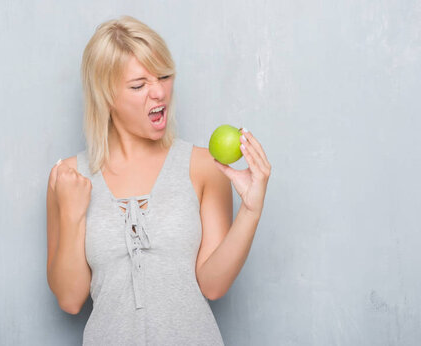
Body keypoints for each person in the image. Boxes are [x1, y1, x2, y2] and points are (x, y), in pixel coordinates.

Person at [46, 15, 271, 345]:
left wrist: (250, 210)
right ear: (105, 96)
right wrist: (72, 213)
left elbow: (213, 284)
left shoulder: (204, 166)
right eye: (138, 85)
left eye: (164, 76)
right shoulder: (67, 178)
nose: (159, 92)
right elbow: (70, 299)